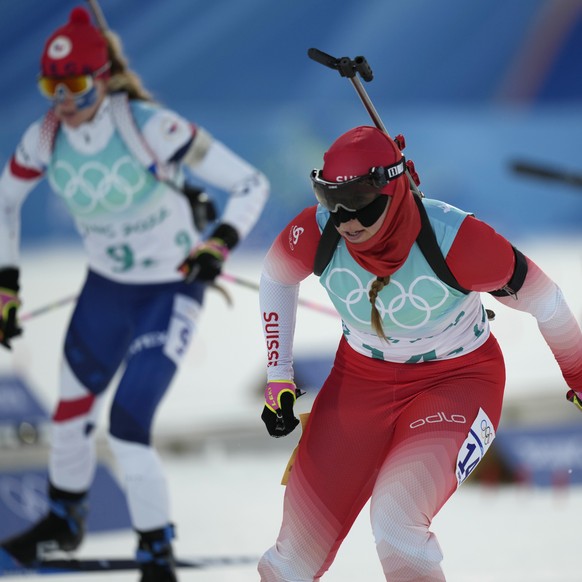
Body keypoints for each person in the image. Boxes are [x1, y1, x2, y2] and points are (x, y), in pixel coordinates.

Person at [0, 6, 269, 582]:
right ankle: (64, 518)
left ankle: (155, 548)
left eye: (74, 85)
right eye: (52, 87)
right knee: (69, 417)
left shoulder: (148, 125)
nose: (63, 102)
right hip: (104, 294)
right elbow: (5, 202)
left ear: (101, 77)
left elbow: (251, 183)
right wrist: (6, 288)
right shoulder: (45, 136)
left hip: (167, 293)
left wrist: (218, 243)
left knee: (128, 426)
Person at [257, 124, 582, 581]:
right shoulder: (316, 232)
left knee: (396, 526)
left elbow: (546, 301)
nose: (346, 220)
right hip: (359, 382)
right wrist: (278, 379)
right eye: (332, 200)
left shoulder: (458, 240)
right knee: (292, 561)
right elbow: (275, 278)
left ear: (392, 191)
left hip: (458, 384)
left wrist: (579, 376)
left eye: (361, 203)